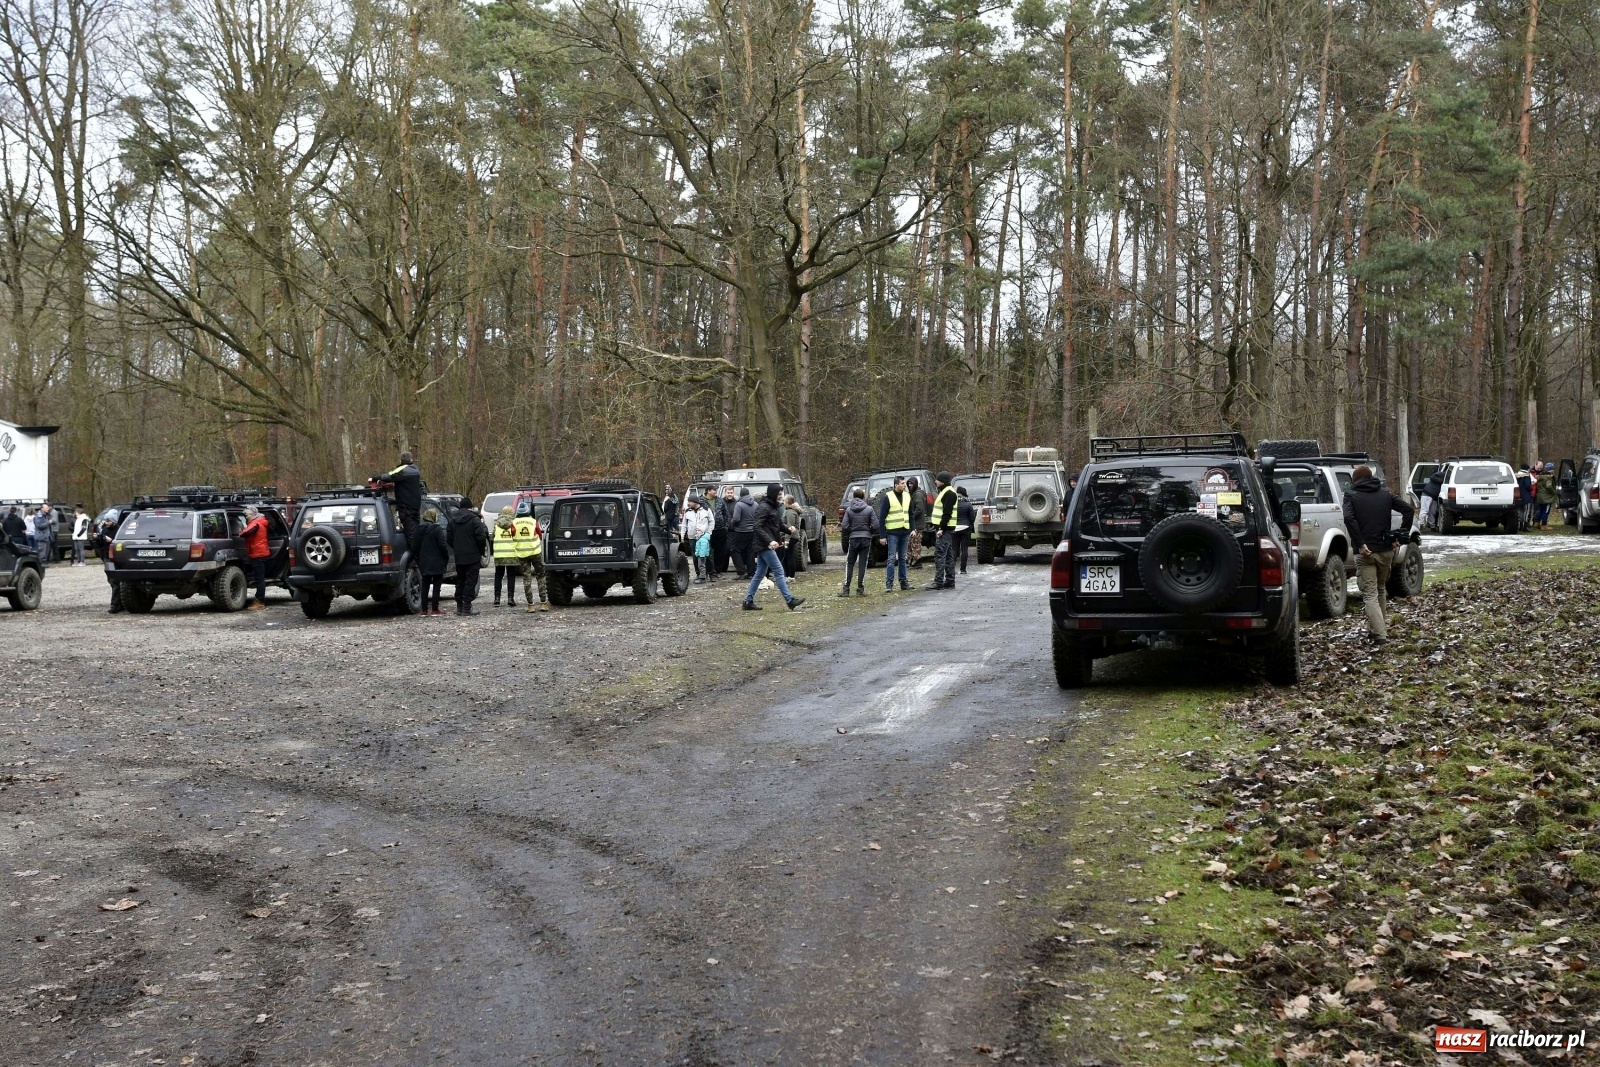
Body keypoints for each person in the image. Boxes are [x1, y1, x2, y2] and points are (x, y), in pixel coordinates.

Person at [1341, 464, 1414, 643]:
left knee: (1370, 595)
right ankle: (1378, 629)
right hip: (1386, 550)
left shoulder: (1350, 496)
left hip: (1366, 553)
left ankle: (1380, 635)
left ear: (1355, 480)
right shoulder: (1386, 494)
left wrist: (1360, 543)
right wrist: (1401, 536)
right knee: (1381, 590)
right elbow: (1409, 510)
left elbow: (1348, 518)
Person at [743, 484, 805, 612]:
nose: (781, 496)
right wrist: (770, 541)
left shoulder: (773, 507)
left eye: (781, 494)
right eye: (779, 494)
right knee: (779, 570)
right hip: (763, 545)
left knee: (759, 574)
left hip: (766, 544)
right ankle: (789, 600)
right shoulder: (764, 508)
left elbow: (778, 524)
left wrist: (789, 530)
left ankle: (748, 601)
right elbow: (757, 527)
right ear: (772, 494)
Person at [449, 498, 489, 616]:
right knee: (471, 581)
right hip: (473, 556)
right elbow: (481, 537)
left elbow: (449, 538)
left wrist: (456, 547)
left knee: (460, 580)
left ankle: (459, 607)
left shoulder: (452, 520)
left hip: (459, 555)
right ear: (470, 507)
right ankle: (467, 607)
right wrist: (480, 551)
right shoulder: (475, 520)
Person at [838, 487, 878, 597]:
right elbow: (876, 525)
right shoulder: (869, 509)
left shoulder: (849, 510)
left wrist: (851, 532)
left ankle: (846, 589)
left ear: (854, 497)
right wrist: (870, 532)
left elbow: (844, 526)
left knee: (850, 563)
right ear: (863, 497)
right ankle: (860, 589)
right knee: (862, 564)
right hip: (866, 538)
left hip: (853, 538)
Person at [877, 475, 913, 592]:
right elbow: (882, 517)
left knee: (903, 558)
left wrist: (913, 528)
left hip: (905, 530)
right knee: (891, 558)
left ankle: (903, 582)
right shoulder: (888, 497)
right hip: (892, 532)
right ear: (896, 485)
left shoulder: (907, 496)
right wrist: (882, 535)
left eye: (904, 483)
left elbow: (910, 513)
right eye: (902, 483)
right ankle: (889, 584)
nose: (904, 485)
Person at [511, 504, 548, 612]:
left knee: (527, 579)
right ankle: (543, 603)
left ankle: (530, 605)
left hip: (522, 554)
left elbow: (512, 535)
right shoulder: (533, 521)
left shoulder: (514, 523)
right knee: (540, 576)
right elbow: (540, 535)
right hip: (535, 552)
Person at [374, 452, 423, 532]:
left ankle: (413, 544)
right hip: (416, 505)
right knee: (416, 531)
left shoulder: (402, 470)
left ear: (400, 460)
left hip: (406, 506)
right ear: (411, 459)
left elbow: (389, 476)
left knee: (411, 533)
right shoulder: (416, 469)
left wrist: (374, 478)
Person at [927, 471, 960, 590]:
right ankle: (950, 580)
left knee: (940, 554)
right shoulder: (946, 492)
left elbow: (947, 513)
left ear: (943, 481)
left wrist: (941, 528)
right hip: (946, 528)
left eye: (937, 480)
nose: (935, 481)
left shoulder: (949, 493)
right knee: (948, 555)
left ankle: (939, 582)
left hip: (945, 529)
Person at [415, 507, 451, 615]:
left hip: (424, 561)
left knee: (425, 585)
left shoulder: (418, 529)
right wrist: (446, 557)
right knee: (436, 585)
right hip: (437, 561)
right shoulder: (437, 529)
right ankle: (435, 609)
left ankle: (424, 609)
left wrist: (418, 558)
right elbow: (442, 545)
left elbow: (414, 546)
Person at [238, 506, 273, 609]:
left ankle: (260, 601)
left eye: (247, 515)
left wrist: (240, 532)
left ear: (253, 514)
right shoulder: (260, 521)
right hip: (260, 552)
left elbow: (245, 533)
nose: (246, 516)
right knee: (260, 578)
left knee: (259, 579)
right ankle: (259, 600)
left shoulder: (256, 523)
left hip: (258, 554)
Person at [491, 506, 522, 607]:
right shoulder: (515, 524)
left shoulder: (496, 524)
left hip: (499, 554)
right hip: (512, 554)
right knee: (511, 577)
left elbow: (493, 537)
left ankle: (497, 599)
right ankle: (510, 598)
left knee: (498, 576)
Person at [681, 496, 716, 583]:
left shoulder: (706, 510)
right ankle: (699, 574)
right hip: (692, 537)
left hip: (704, 536)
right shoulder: (688, 511)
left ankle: (711, 574)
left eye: (690, 502)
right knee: (695, 556)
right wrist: (682, 535)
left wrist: (709, 532)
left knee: (708, 555)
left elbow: (712, 521)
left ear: (695, 502)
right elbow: (684, 524)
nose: (688, 503)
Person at [93, 518, 123, 613]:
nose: (107, 523)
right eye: (106, 521)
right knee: (111, 581)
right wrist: (98, 539)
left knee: (115, 582)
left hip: (116, 557)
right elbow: (100, 545)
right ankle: (119, 603)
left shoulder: (119, 529)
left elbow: (121, 543)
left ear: (114, 521)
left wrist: (112, 540)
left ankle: (115, 605)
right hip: (106, 556)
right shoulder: (105, 529)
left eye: (109, 521)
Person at [731, 487, 758, 579]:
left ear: (741, 495)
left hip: (741, 531)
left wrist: (733, 525)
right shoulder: (755, 504)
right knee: (750, 551)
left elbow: (736, 519)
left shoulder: (739, 504)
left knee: (734, 550)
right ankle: (751, 573)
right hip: (753, 531)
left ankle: (741, 571)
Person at [905, 478, 927, 568]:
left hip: (917, 524)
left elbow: (919, 508)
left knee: (915, 543)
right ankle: (912, 561)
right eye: (908, 484)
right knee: (912, 543)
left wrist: (911, 517)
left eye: (911, 484)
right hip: (915, 523)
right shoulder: (914, 494)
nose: (910, 485)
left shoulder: (917, 495)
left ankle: (917, 561)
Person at [953, 485, 975, 575]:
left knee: (954, 549)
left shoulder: (953, 504)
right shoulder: (968, 504)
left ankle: (952, 568)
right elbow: (972, 518)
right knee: (964, 549)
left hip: (954, 528)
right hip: (965, 528)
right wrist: (969, 525)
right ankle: (963, 569)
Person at [712, 488, 735, 574]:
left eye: (731, 493)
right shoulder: (721, 502)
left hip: (733, 530)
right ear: (725, 493)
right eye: (728, 492)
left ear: (733, 493)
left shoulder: (736, 503)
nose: (729, 494)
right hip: (722, 529)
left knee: (731, 549)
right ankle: (722, 568)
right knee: (723, 550)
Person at [781, 495, 804, 578]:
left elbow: (790, 527)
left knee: (789, 556)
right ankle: (787, 575)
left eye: (784, 500)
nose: (783, 502)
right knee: (787, 556)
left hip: (791, 537)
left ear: (788, 502)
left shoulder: (790, 512)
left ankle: (790, 576)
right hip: (791, 536)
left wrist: (787, 540)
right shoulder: (788, 510)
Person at [1535, 462, 1557, 529]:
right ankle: (1544, 525)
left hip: (1540, 496)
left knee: (1541, 510)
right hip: (1546, 498)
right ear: (1551, 469)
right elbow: (1549, 486)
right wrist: (1554, 492)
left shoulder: (1541, 476)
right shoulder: (1548, 477)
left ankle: (1537, 522)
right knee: (1546, 511)